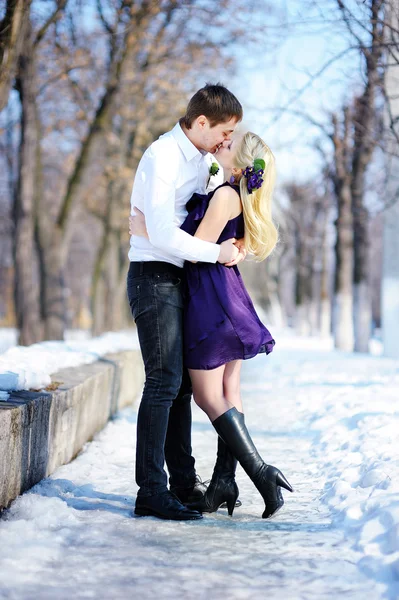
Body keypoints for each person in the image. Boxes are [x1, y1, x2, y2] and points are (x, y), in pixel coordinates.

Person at [132, 132, 293, 519]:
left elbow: (194, 250)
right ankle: (224, 479)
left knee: (206, 396)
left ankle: (260, 472)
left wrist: (147, 232)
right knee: (229, 388)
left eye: (231, 141)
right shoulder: (228, 192)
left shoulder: (224, 195)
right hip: (226, 295)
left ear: (238, 165)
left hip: (207, 298)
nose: (224, 140)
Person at [127, 83, 246, 521]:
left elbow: (198, 217)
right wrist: (216, 251)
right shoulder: (162, 156)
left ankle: (181, 484)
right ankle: (150, 491)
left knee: (178, 387)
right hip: (153, 278)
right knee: (163, 382)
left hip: (180, 279)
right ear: (200, 123)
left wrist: (235, 240)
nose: (226, 141)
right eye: (223, 131)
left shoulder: (202, 162)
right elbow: (161, 232)